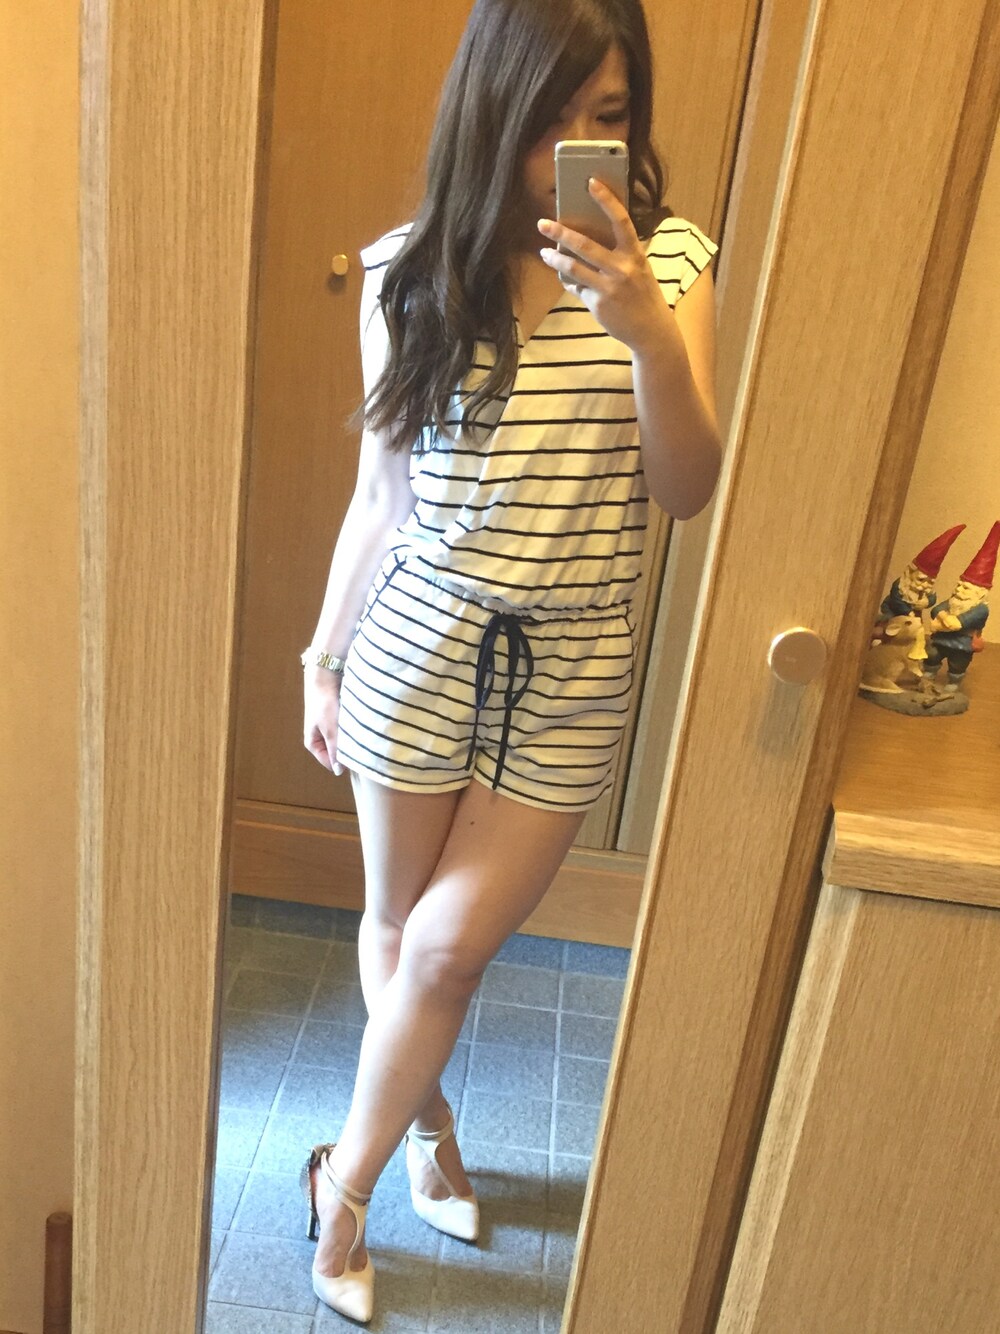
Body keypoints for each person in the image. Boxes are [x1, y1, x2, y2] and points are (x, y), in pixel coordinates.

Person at [297, 0, 722, 1321]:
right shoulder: (408, 269)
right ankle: (419, 1141)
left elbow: (687, 488)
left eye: (609, 116)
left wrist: (649, 336)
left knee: (445, 948)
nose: (576, 147)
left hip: (577, 656)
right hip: (418, 637)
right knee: (398, 929)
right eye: (548, 119)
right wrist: (324, 654)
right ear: (492, 112)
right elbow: (381, 497)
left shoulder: (674, 266)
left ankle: (338, 1177)